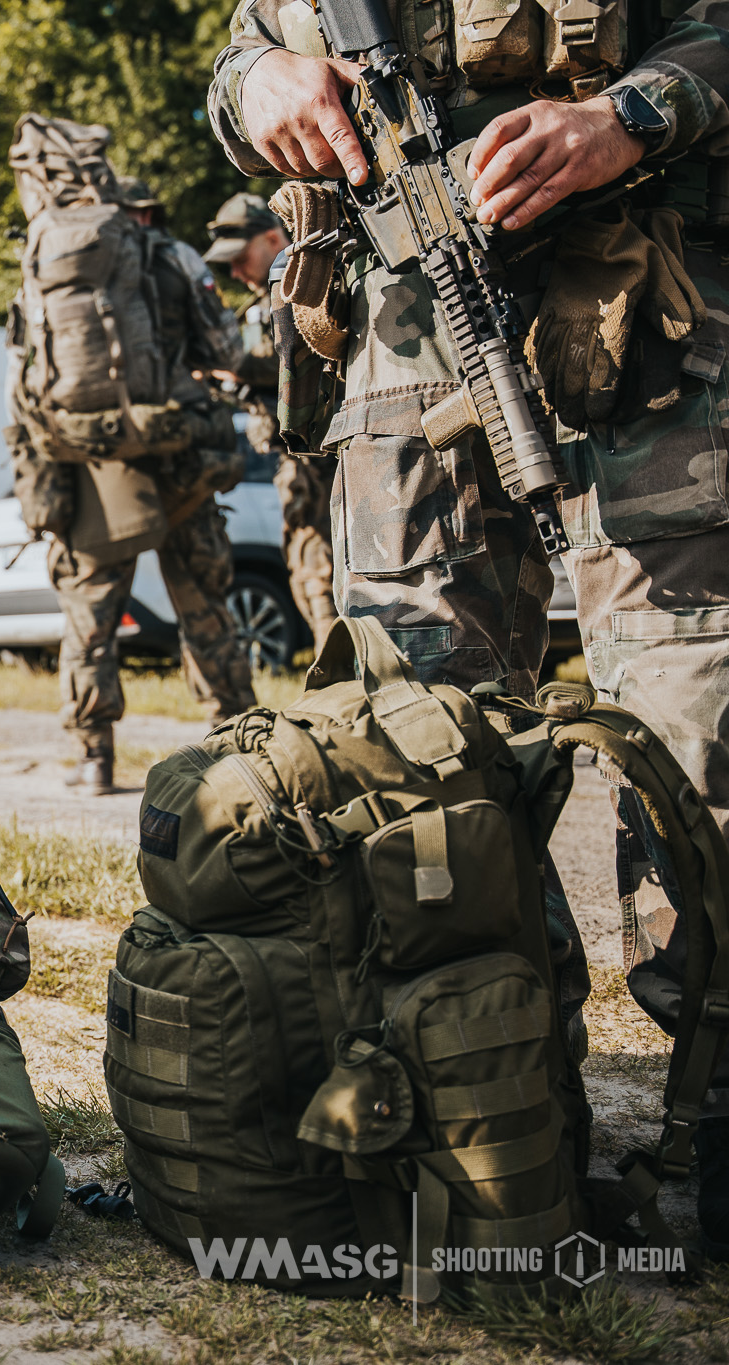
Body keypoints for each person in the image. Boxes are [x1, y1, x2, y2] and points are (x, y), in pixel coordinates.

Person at [207, 2, 729, 1255]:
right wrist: (259, 86)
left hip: (645, 332)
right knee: (414, 760)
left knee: (698, 740)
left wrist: (626, 116)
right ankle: (494, 1125)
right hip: (399, 361)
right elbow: (234, 65)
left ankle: (711, 1143)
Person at [48, 175, 257, 796]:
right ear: (150, 211)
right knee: (204, 603)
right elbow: (227, 347)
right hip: (181, 459)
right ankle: (236, 742)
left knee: (90, 614)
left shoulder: (62, 266)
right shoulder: (178, 257)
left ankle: (94, 759)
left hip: (101, 465)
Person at [203, 193, 338, 654]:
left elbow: (301, 353)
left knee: (317, 567)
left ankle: (337, 676)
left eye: (241, 259)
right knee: (305, 569)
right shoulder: (263, 302)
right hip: (293, 459)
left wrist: (236, 364)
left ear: (272, 238)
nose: (237, 273)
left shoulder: (307, 280)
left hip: (316, 457)